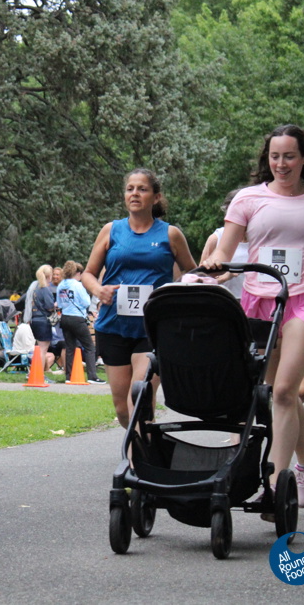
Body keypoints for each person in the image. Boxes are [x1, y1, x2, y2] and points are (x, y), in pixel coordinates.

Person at [204, 124, 304, 515]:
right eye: (275, 156)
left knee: (286, 390)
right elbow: (224, 251)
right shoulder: (248, 199)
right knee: (274, 393)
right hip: (261, 300)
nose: (281, 163)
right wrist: (214, 268)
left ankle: (275, 486)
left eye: (289, 156)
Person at [82, 168, 197, 428]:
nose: (134, 194)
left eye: (142, 189)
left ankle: (141, 453)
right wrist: (99, 290)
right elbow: (88, 273)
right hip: (114, 325)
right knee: (122, 408)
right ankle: (147, 443)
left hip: (154, 328)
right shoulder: (111, 230)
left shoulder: (170, 234)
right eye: (130, 189)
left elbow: (192, 272)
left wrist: (174, 293)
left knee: (140, 396)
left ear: (156, 197)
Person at [57, 260, 103, 383]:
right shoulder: (78, 285)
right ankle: (92, 376)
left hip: (65, 317)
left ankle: (69, 376)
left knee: (70, 348)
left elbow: (59, 304)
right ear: (78, 273)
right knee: (89, 347)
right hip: (77, 318)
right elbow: (86, 302)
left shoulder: (61, 285)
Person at [200, 188, 249, 298]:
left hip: (253, 301)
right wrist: (225, 277)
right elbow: (200, 279)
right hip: (222, 301)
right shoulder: (216, 238)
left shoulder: (262, 239)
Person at [27, 265, 56, 383]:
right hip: (43, 320)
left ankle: (33, 372)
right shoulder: (45, 289)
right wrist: (55, 305)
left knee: (37, 348)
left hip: (34, 319)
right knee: (42, 350)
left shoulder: (35, 288)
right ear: (49, 276)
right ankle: (39, 374)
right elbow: (49, 306)